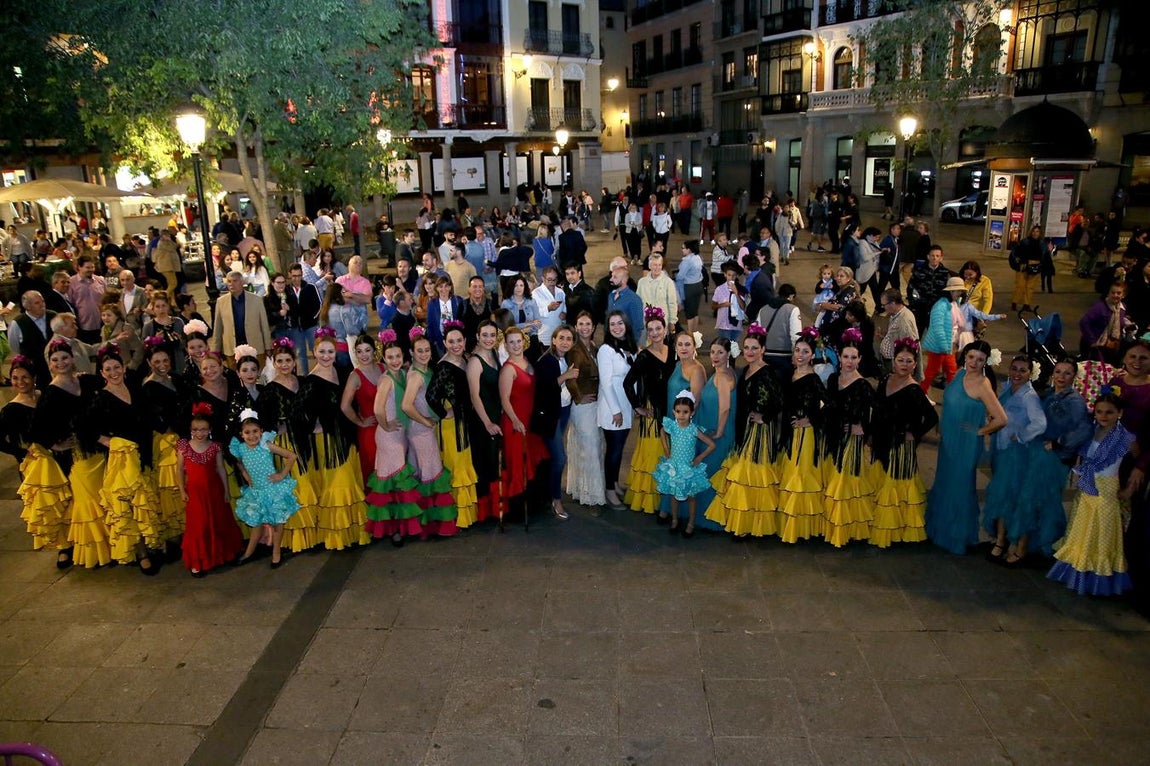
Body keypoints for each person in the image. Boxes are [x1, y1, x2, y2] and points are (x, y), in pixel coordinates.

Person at [1048, 391, 1135, 596]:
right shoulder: (1094, 430)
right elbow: (1083, 455)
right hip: (1087, 487)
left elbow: (1136, 464)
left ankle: (1099, 576)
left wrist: (1129, 488)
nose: (1103, 416)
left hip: (1107, 490)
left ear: (1119, 413)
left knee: (1101, 531)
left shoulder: (1125, 437)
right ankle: (1077, 570)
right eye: (1099, 412)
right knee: (1082, 529)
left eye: (1109, 412)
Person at [926, 340, 1008, 554]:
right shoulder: (961, 374)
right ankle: (940, 529)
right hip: (949, 440)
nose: (974, 362)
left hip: (966, 443)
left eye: (980, 359)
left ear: (985, 362)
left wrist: (979, 431)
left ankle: (956, 536)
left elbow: (1001, 418)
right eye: (971, 357)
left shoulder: (983, 384)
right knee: (945, 482)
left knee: (959, 487)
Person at [705, 323, 784, 537]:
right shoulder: (745, 370)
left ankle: (748, 526)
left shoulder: (767, 373)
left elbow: (778, 402)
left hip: (758, 433)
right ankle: (744, 522)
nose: (749, 352)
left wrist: (763, 416)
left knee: (751, 476)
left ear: (763, 350)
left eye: (754, 348)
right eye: (746, 348)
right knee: (744, 476)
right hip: (744, 429)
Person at [869, 338, 937, 547]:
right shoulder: (885, 380)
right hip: (882, 440)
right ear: (893, 361)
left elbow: (932, 417)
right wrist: (871, 434)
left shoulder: (914, 389)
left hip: (900, 446)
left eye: (909, 361)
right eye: (901, 360)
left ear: (915, 364)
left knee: (897, 486)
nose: (904, 365)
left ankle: (897, 529)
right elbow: (877, 409)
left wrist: (913, 434)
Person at [983, 355, 1048, 567]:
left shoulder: (1029, 396)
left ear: (1031, 374)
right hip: (1002, 449)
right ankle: (1001, 539)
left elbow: (1040, 423)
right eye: (1014, 369)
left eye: (1022, 370)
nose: (1017, 374)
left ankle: (1007, 542)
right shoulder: (1008, 388)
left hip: (1016, 454)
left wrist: (1020, 436)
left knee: (1010, 496)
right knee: (1003, 495)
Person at [1030, 359, 1093, 556]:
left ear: (1074, 376)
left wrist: (1058, 442)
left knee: (1049, 499)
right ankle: (1037, 538)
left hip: (1058, 456)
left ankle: (1048, 542)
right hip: (1043, 453)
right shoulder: (1050, 395)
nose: (1061, 377)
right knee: (1039, 496)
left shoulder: (1074, 401)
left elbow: (1083, 429)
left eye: (1067, 373)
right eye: (1058, 372)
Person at [821, 330, 876, 547]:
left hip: (851, 443)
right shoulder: (834, 379)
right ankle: (833, 526)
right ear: (840, 358)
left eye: (854, 357)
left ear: (860, 359)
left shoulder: (863, 386)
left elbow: (878, 413)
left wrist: (863, 428)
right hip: (834, 437)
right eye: (846, 357)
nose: (849, 362)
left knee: (845, 484)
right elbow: (828, 405)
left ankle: (845, 530)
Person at [401, 330, 457, 537]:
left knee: (422, 473)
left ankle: (422, 523)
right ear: (411, 352)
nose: (424, 354)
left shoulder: (427, 370)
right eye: (419, 351)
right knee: (431, 475)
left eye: (427, 350)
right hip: (421, 431)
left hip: (423, 430)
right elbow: (406, 405)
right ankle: (433, 525)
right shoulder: (415, 375)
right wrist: (426, 422)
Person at [424, 322, 480, 528]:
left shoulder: (465, 360)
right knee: (456, 467)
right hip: (451, 427)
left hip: (464, 421)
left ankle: (466, 513)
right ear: (445, 343)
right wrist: (444, 412)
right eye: (451, 341)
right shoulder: (444, 366)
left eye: (459, 341)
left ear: (465, 342)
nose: (455, 345)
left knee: (463, 465)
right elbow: (431, 396)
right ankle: (455, 515)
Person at [622, 308, 676, 516]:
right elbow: (628, 383)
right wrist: (638, 406)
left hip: (672, 411)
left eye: (658, 328)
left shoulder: (673, 351)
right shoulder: (643, 356)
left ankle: (667, 500)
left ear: (665, 329)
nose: (654, 333)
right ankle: (652, 500)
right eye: (651, 329)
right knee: (655, 454)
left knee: (669, 453)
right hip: (653, 413)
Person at [230, 408, 299, 569]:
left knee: (276, 523)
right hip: (256, 492)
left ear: (261, 432)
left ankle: (276, 553)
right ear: (241, 434)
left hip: (273, 490)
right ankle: (249, 552)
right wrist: (247, 477)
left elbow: (291, 456)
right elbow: (240, 463)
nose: (252, 435)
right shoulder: (240, 448)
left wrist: (282, 475)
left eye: (255, 431)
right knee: (256, 523)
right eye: (247, 432)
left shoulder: (265, 445)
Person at [777, 328, 828, 543]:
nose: (800, 355)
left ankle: (798, 528)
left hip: (804, 436)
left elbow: (828, 404)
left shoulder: (813, 379)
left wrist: (810, 420)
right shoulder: (792, 373)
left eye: (805, 351)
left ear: (813, 355)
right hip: (790, 433)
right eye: (797, 350)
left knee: (801, 476)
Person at [498, 326, 547, 518]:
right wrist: (516, 421)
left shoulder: (528, 360)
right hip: (515, 423)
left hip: (530, 420)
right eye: (511, 342)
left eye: (518, 341)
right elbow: (504, 400)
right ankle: (518, 510)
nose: (516, 345)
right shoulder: (508, 369)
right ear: (506, 345)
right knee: (518, 464)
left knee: (531, 461)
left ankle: (532, 504)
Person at [653, 390, 715, 537]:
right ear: (674, 412)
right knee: (674, 495)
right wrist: (666, 449)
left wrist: (700, 457)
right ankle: (674, 520)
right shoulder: (672, 426)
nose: (681, 415)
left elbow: (711, 445)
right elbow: (662, 431)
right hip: (674, 468)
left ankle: (691, 523)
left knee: (691, 498)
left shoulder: (693, 429)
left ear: (692, 413)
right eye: (678, 411)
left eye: (685, 412)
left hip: (688, 469)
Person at [564, 312, 605, 511]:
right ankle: (591, 495)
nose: (585, 328)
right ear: (576, 326)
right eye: (581, 324)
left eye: (588, 324)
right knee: (589, 448)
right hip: (583, 406)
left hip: (595, 404)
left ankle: (584, 488)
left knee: (594, 447)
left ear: (593, 326)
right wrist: (579, 397)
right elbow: (570, 377)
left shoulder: (593, 347)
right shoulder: (574, 350)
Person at [598, 310, 637, 511]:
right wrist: (616, 410)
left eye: (620, 323)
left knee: (620, 449)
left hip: (626, 404)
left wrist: (635, 405)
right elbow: (606, 383)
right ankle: (609, 490)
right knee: (613, 450)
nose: (616, 327)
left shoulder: (630, 346)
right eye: (612, 324)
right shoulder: (606, 349)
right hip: (612, 406)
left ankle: (614, 483)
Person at [339, 333, 383, 482]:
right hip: (369, 431)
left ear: (374, 351)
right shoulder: (355, 376)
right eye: (359, 351)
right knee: (373, 469)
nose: (363, 355)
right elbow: (345, 406)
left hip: (387, 427)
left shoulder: (382, 368)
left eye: (367, 350)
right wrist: (360, 422)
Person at [213, 271, 273, 361]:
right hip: (231, 348)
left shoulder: (256, 300)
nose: (231, 284)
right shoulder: (221, 301)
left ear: (242, 282)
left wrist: (268, 346)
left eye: (235, 281)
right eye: (229, 281)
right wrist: (216, 350)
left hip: (254, 346)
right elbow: (218, 327)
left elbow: (264, 324)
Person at [1079, 280, 1134, 365]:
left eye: (1118, 293)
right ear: (1108, 293)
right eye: (1113, 292)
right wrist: (1092, 341)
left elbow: (1120, 322)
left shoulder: (1122, 308)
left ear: (1123, 295)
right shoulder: (1099, 307)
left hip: (1111, 346)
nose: (1115, 295)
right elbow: (1084, 322)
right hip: (1095, 347)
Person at [1009, 224, 1047, 311]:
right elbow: (1016, 252)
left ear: (1040, 233)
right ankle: (1014, 302)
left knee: (1030, 287)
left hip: (1036, 266)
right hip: (1024, 265)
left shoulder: (1042, 243)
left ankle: (1027, 304)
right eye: (1033, 231)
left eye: (1037, 232)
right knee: (1020, 285)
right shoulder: (1025, 241)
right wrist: (1020, 262)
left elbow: (1044, 256)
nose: (1035, 233)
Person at [606, 257, 643, 342]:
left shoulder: (634, 299)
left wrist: (632, 346)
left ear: (623, 280)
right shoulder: (611, 296)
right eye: (611, 276)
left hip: (627, 343)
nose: (610, 279)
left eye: (614, 277)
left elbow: (638, 326)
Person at [675, 241, 706, 337]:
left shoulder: (687, 261)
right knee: (695, 312)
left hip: (689, 287)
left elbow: (680, 276)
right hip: (698, 285)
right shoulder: (698, 257)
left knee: (689, 314)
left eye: (683, 248)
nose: (681, 250)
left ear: (689, 250)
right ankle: (695, 333)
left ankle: (690, 334)